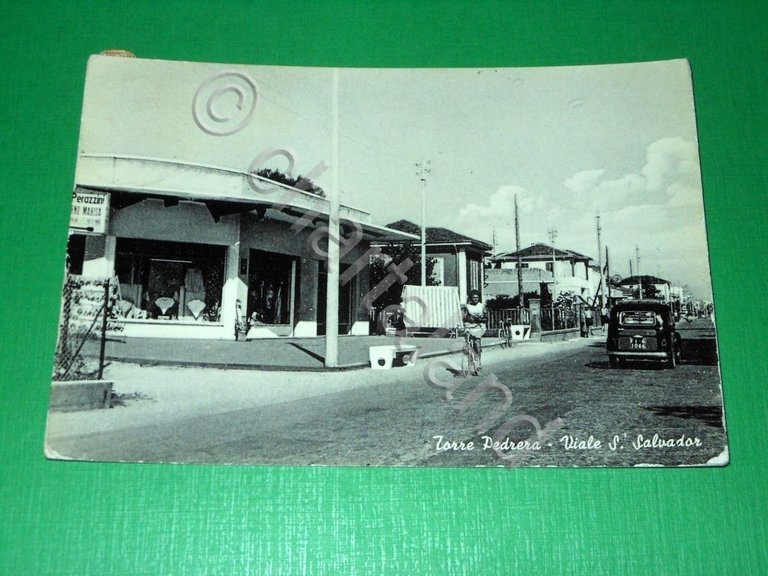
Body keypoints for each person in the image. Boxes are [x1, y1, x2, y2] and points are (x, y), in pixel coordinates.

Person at [462, 290, 487, 370]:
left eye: (477, 297)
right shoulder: (467, 307)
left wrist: (480, 319)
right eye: (473, 297)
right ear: (471, 298)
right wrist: (469, 319)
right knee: (468, 340)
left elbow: (486, 317)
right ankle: (469, 357)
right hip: (469, 325)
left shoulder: (481, 306)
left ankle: (478, 361)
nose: (475, 299)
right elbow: (464, 318)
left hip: (479, 326)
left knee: (477, 342)